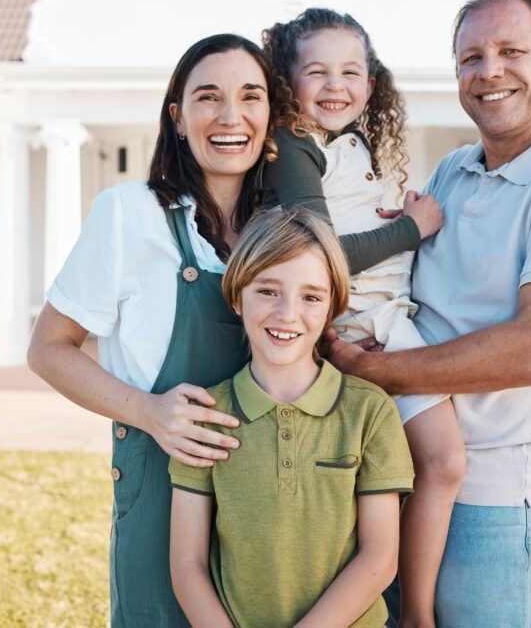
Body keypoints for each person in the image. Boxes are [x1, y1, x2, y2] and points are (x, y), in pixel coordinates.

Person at [324, 0, 531, 627]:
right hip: (392, 470)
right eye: (470, 57)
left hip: (489, 503)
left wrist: (380, 371)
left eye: (510, 51)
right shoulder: (451, 172)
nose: (488, 71)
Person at [27, 33, 291, 627]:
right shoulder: (129, 213)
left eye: (250, 97)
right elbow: (48, 349)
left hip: (272, 501)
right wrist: (149, 412)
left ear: (270, 116)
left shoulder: (284, 229)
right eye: (207, 98)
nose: (230, 117)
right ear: (177, 117)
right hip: (161, 496)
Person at [261, 8, 464, 626]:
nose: (335, 85)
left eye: (351, 72)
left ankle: (408, 609)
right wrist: (412, 227)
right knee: (429, 465)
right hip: (352, 329)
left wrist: (391, 213)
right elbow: (316, 257)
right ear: (285, 81)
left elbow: (347, 226)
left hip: (388, 323)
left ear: (371, 85)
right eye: (315, 71)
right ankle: (409, 615)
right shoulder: (293, 146)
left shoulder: (348, 143)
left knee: (423, 467)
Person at [168, 208, 414, 627]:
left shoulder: (369, 411)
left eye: (311, 297)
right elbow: (187, 564)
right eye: (267, 291)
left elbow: (380, 556)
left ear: (331, 306)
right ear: (236, 295)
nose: (287, 314)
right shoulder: (205, 417)